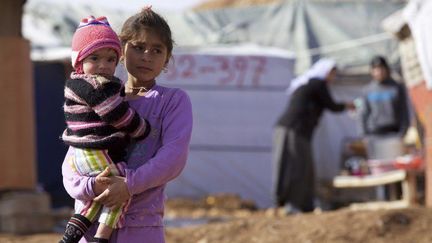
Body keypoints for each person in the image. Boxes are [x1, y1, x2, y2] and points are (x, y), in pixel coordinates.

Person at [61, 6, 193, 243]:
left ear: (166, 58)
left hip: (140, 226)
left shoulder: (172, 101)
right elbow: (74, 155)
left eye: (157, 50)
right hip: (89, 225)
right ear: (121, 50)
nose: (146, 56)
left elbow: (173, 158)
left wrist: (128, 185)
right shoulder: (96, 93)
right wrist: (91, 186)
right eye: (138, 47)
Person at [59, 16, 151, 243]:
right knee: (118, 192)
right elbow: (117, 115)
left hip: (84, 153)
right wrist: (141, 128)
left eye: (111, 59)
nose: (103, 65)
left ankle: (71, 236)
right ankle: (101, 238)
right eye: (95, 58)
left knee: (96, 200)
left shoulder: (77, 84)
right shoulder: (95, 85)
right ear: (78, 61)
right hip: (94, 150)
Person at [273, 58, 354, 213]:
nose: (333, 78)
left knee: (302, 167)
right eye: (332, 73)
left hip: (293, 130)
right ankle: (292, 204)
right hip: (294, 130)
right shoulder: (318, 84)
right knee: (297, 166)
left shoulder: (307, 85)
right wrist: (347, 105)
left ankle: (299, 204)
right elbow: (332, 106)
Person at [358, 56, 410, 138]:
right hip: (374, 133)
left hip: (394, 132)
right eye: (376, 69)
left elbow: (404, 111)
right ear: (371, 71)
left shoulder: (396, 87)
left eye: (381, 68)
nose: (379, 72)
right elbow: (363, 113)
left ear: (387, 69)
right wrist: (364, 134)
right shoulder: (367, 90)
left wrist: (403, 132)